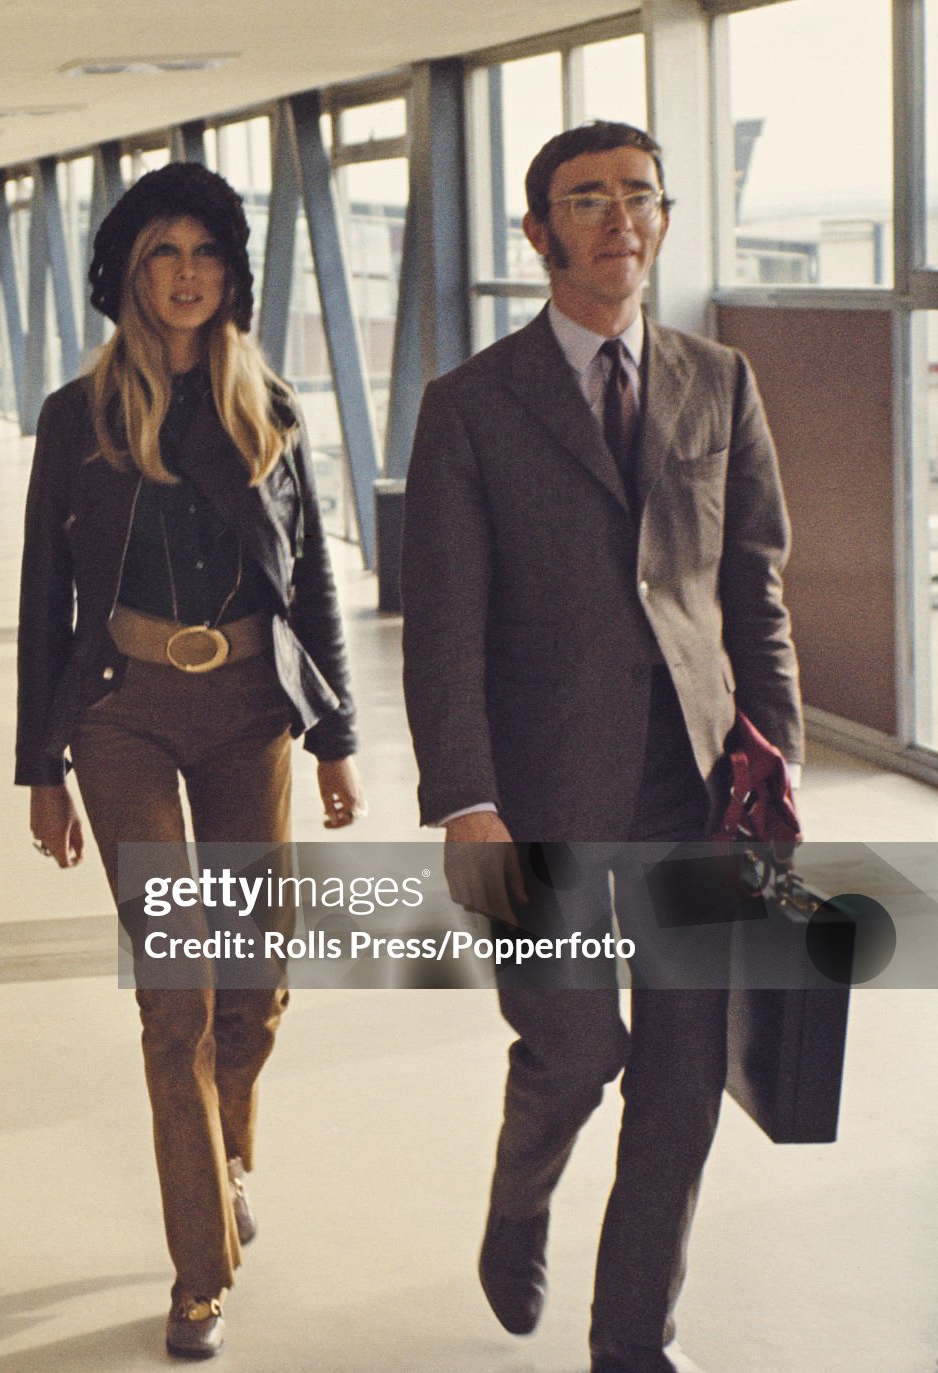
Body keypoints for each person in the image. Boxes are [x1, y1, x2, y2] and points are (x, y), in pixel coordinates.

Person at [401, 121, 802, 1373]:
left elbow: (754, 590)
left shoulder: (716, 379)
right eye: (585, 199)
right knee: (575, 1048)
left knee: (679, 1089)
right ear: (536, 233)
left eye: (637, 195)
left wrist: (776, 768)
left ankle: (632, 1337)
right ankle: (519, 1195)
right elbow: (443, 624)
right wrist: (467, 801)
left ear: (665, 220)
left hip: (693, 788)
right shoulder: (467, 405)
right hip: (537, 793)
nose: (617, 217)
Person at [16, 162, 363, 1361]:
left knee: (254, 986)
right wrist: (38, 765)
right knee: (179, 993)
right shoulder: (80, 418)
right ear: (124, 276)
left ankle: (225, 1152)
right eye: (161, 253)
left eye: (205, 253)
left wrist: (338, 736)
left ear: (232, 276)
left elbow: (311, 576)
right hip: (120, 707)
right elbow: (41, 597)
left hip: (252, 709)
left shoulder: (267, 408)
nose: (184, 275)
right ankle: (198, 1269)